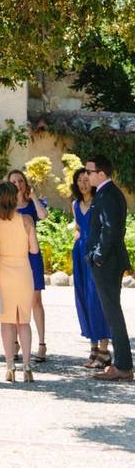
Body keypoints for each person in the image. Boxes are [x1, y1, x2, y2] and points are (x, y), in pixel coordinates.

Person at [84, 155, 133, 381]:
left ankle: (123, 366)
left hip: (108, 263)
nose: (86, 175)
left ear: (101, 173)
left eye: (89, 171)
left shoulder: (108, 195)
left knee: (112, 313)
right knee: (112, 313)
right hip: (108, 262)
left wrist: (98, 257)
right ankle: (122, 363)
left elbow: (111, 229)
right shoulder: (106, 193)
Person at [0, 182, 39, 383]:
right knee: (24, 321)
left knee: (7, 321)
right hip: (22, 270)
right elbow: (34, 250)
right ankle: (27, 365)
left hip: (3, 269)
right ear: (14, 198)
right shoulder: (26, 220)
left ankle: (10, 365)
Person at [70, 168, 112, 369]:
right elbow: (78, 228)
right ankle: (93, 348)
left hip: (95, 255)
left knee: (98, 299)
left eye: (86, 179)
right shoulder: (75, 205)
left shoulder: (99, 202)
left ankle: (105, 350)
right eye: (79, 180)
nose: (83, 183)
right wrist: (77, 236)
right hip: (79, 254)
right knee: (84, 299)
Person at [7, 169, 49, 362]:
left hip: (32, 257)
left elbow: (43, 216)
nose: (18, 184)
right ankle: (15, 343)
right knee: (15, 302)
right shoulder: (6, 206)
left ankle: (41, 344)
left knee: (35, 301)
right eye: (14, 181)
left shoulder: (32, 204)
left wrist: (33, 197)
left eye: (21, 181)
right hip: (13, 258)